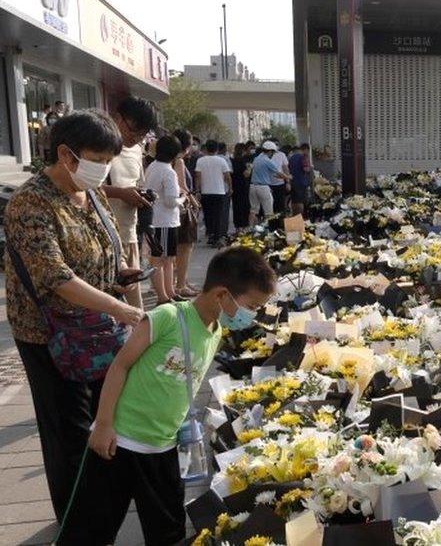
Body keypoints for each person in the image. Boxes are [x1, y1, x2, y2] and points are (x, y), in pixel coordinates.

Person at [4, 109, 143, 543]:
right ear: (66, 155)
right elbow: (55, 276)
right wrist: (120, 309)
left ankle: (102, 506)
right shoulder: (31, 202)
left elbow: (102, 248)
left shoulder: (91, 193)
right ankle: (76, 522)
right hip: (52, 336)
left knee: (107, 420)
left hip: (97, 330)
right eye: (98, 158)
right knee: (69, 432)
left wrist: (121, 271)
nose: (104, 168)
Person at [87, 247, 276, 545]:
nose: (252, 315)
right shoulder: (167, 317)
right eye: (251, 306)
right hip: (120, 442)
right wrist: (103, 423)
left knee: (168, 530)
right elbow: (120, 366)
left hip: (162, 448)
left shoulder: (214, 331)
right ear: (221, 295)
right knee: (95, 526)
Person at [105, 96, 162, 310]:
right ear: (117, 118)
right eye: (132, 130)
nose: (136, 138)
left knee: (134, 304)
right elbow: (84, 188)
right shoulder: (100, 146)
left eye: (142, 134)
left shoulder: (137, 149)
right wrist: (120, 193)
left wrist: (140, 195)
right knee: (112, 305)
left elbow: (136, 183)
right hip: (105, 234)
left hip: (129, 232)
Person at [146, 135, 185, 304]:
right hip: (164, 220)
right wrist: (182, 200)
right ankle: (163, 296)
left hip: (158, 218)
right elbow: (170, 201)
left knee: (167, 259)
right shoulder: (168, 171)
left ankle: (170, 292)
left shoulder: (152, 166)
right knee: (161, 260)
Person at [172, 129, 201, 298]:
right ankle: (181, 284)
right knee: (185, 247)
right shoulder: (179, 161)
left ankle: (182, 281)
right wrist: (194, 201)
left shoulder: (166, 160)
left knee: (177, 249)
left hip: (174, 210)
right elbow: (181, 186)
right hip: (182, 209)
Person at [195, 139, 233, 247]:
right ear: (217, 149)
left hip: (206, 192)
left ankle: (211, 235)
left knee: (208, 215)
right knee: (218, 215)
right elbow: (227, 176)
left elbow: (198, 176)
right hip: (219, 192)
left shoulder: (200, 161)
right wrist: (230, 188)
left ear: (206, 148)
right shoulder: (222, 161)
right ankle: (217, 237)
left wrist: (197, 190)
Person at [250, 141, 287, 225]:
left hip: (252, 186)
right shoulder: (267, 161)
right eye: (273, 152)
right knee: (268, 212)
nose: (273, 154)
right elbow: (279, 173)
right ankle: (268, 231)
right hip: (263, 187)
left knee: (253, 211)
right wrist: (288, 177)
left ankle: (250, 229)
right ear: (270, 151)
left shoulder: (256, 159)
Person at [230, 143, 251, 229]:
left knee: (236, 207)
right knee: (245, 206)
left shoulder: (232, 161)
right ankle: (244, 225)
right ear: (243, 150)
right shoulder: (243, 161)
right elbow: (246, 174)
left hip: (234, 187)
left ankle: (237, 226)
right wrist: (249, 168)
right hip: (243, 187)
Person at [289, 143, 312, 217]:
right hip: (301, 183)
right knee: (300, 202)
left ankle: (294, 217)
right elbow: (306, 169)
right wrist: (309, 166)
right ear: (305, 150)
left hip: (293, 182)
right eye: (308, 151)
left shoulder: (291, 157)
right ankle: (301, 218)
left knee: (294, 201)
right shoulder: (303, 157)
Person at [269, 140, 292, 214]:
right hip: (269, 185)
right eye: (274, 144)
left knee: (281, 206)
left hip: (280, 184)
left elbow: (285, 168)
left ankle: (281, 222)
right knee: (271, 207)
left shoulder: (281, 155)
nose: (276, 146)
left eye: (277, 144)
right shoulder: (265, 155)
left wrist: (288, 182)